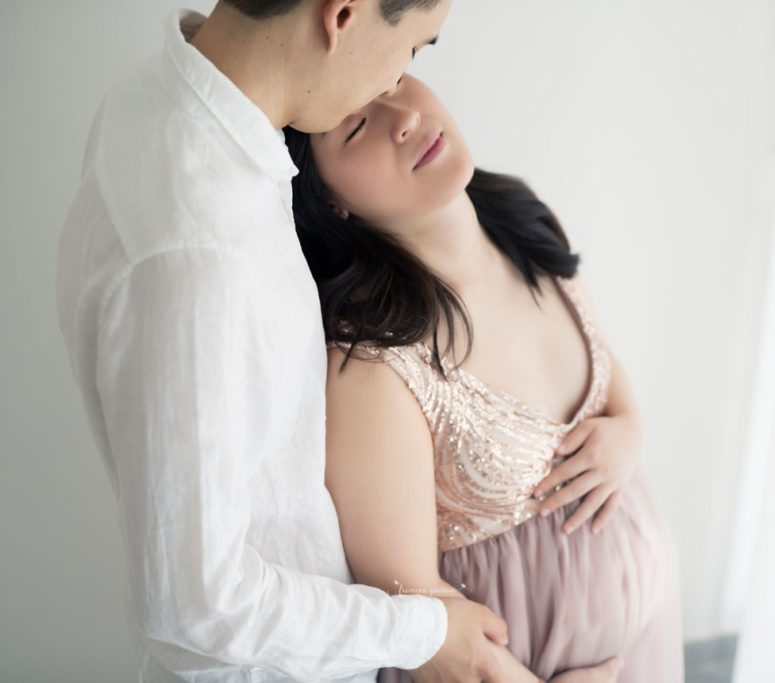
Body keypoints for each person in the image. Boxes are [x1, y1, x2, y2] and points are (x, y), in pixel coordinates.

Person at [54, 1, 543, 680]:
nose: (396, 86)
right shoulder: (199, 251)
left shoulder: (160, 97)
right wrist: (425, 632)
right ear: (342, 15)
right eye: (412, 49)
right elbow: (196, 600)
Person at [283, 73, 685, 681]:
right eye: (359, 125)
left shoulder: (523, 223)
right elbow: (415, 614)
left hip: (645, 641)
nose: (405, 117)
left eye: (392, 80)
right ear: (328, 200)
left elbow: (599, 357)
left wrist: (629, 426)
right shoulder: (374, 364)